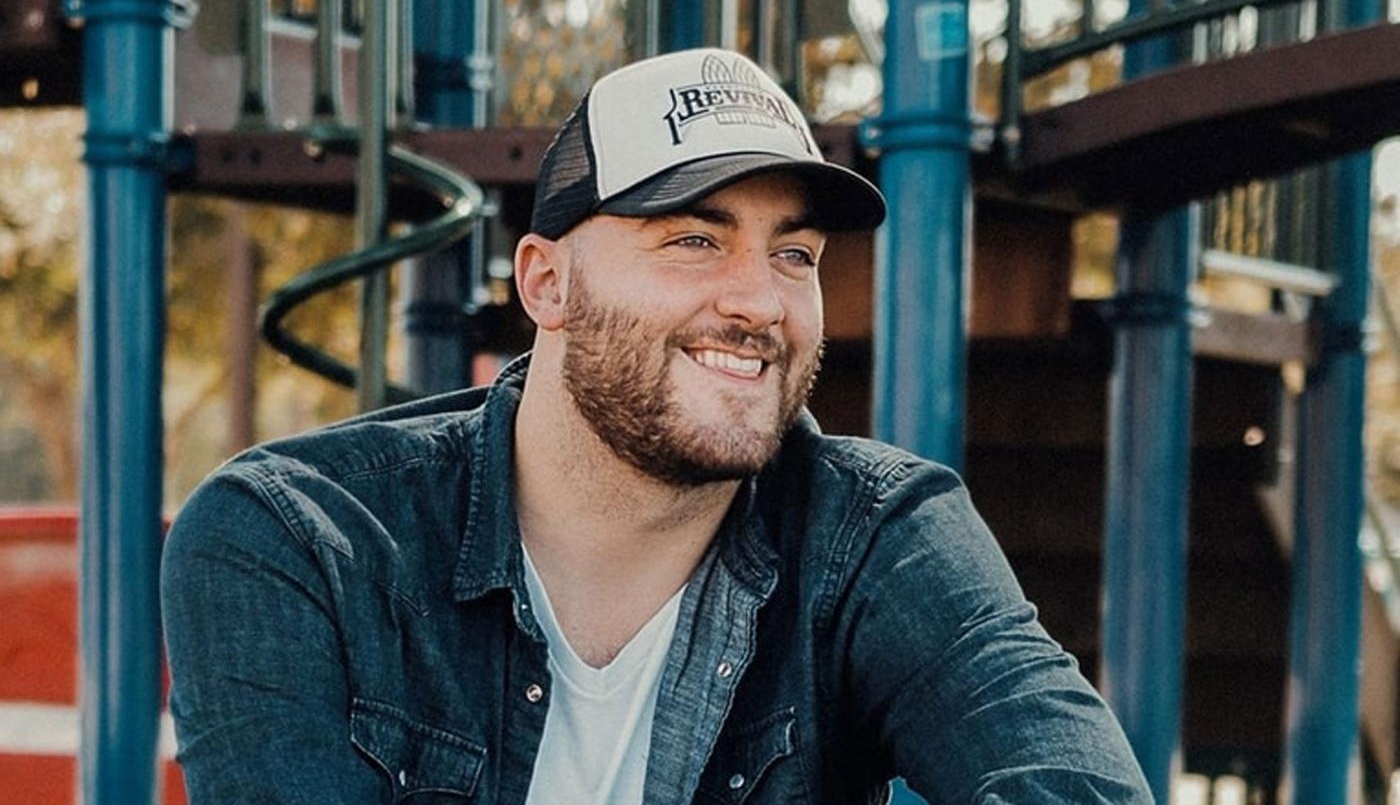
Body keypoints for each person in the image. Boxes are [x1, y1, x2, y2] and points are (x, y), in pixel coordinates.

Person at [162, 48, 1151, 804]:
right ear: (545, 282)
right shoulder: (296, 540)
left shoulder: (878, 534)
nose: (759, 301)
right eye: (692, 240)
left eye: (794, 255)